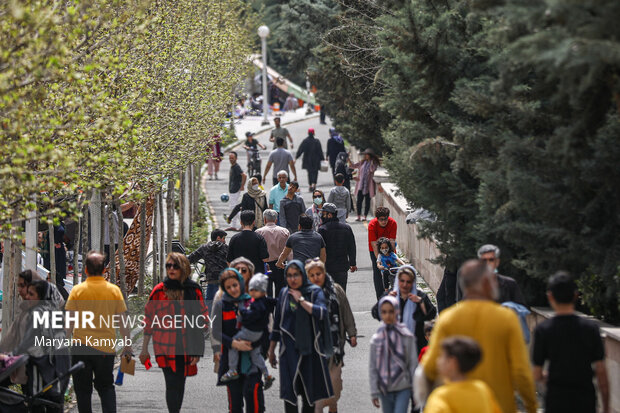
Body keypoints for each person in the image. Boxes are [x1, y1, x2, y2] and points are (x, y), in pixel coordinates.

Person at [418, 259, 537, 413]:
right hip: (500, 405)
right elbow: (521, 371)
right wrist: (531, 406)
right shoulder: (506, 319)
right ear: (487, 284)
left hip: (457, 406)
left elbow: (429, 367)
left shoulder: (449, 319)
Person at [140, 252, 209, 413]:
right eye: (168, 266)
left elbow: (203, 319)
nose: (171, 269)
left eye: (175, 266)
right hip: (164, 346)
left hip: (187, 347)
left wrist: (197, 347)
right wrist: (144, 349)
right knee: (171, 383)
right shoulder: (159, 291)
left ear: (183, 268)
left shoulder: (193, 290)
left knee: (180, 383)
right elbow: (148, 320)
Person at [532, 272, 609, 413]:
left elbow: (536, 374)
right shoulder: (590, 329)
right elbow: (601, 370)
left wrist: (547, 377)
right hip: (585, 400)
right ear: (575, 295)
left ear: (550, 297)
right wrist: (606, 407)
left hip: (556, 400)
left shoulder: (543, 330)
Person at [65, 251, 131, 413]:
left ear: (86, 270)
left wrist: (65, 344)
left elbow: (69, 322)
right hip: (105, 349)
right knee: (106, 387)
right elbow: (123, 321)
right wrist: (127, 345)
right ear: (104, 269)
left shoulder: (77, 291)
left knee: (82, 391)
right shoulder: (113, 291)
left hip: (80, 349)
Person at [268, 260, 334, 412]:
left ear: (302, 275)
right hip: (288, 352)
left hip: (309, 352)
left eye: (296, 275)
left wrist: (301, 300)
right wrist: (272, 350)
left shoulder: (313, 292)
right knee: (289, 395)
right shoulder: (284, 293)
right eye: (289, 275)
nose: (292, 279)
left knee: (309, 397)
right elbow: (278, 324)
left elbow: (322, 313)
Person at [306, 259, 357, 413]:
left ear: (324, 273)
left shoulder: (336, 290)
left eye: (319, 273)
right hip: (313, 347)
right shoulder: (305, 294)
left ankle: (333, 406)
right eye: (312, 274)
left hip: (335, 345)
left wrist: (352, 333)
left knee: (335, 384)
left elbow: (346, 311)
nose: (316, 277)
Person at [212, 268, 266, 413]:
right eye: (228, 287)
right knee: (235, 405)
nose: (233, 289)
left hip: (252, 358)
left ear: (241, 284)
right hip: (231, 361)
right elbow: (216, 332)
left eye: (235, 285)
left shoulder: (252, 302)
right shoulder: (221, 305)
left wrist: (252, 344)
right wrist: (234, 343)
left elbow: (263, 328)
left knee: (254, 401)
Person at [221, 273, 276, 389]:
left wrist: (243, 313)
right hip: (258, 334)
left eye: (254, 290)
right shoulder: (266, 301)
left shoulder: (257, 304)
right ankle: (267, 374)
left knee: (234, 343)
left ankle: (232, 369)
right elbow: (275, 301)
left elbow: (254, 315)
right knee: (255, 355)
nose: (252, 292)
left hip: (250, 332)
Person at [424, 336, 502, 413]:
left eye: (441, 356)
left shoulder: (441, 396)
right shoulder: (483, 389)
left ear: (452, 362)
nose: (438, 361)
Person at [371, 266, 436, 356]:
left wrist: (421, 302)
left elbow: (431, 315)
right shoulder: (390, 294)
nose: (405, 285)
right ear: (398, 281)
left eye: (408, 282)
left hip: (416, 345)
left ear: (413, 283)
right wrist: (386, 301)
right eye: (402, 281)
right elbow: (375, 313)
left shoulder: (420, 296)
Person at [369, 295, 417, 413]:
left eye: (391, 311)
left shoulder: (406, 336)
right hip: (385, 388)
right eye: (384, 312)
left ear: (397, 311)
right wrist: (374, 391)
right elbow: (373, 367)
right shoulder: (376, 339)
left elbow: (413, 363)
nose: (388, 315)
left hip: (403, 386)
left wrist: (415, 388)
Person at [187, 228, 228, 314]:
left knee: (208, 303)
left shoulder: (204, 248)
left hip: (211, 280)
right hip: (224, 280)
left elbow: (190, 259)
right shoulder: (225, 248)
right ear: (218, 238)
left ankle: (209, 322)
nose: (224, 241)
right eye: (223, 238)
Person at [317, 203, 357, 291]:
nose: (322, 216)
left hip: (327, 267)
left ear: (329, 215)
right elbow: (351, 246)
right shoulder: (346, 228)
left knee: (328, 293)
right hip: (342, 267)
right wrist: (353, 263)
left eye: (324, 213)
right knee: (341, 292)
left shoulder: (322, 229)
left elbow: (319, 249)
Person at [256, 209, 291, 297]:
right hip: (280, 264)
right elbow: (289, 251)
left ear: (264, 219)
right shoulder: (285, 231)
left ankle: (269, 310)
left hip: (265, 265)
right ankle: (279, 309)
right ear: (276, 220)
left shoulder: (259, 232)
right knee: (281, 292)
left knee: (267, 293)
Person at [227, 211, 269, 277]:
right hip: (256, 275)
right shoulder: (259, 238)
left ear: (241, 222)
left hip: (240, 274)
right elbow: (265, 259)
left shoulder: (234, 238)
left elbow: (229, 260)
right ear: (254, 222)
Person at [368, 207, 398, 299]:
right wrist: (380, 261)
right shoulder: (372, 225)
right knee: (378, 274)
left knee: (392, 273)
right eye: (381, 220)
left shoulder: (392, 223)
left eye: (385, 219)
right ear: (377, 219)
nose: (384, 222)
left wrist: (391, 257)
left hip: (389, 251)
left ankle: (394, 296)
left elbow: (392, 241)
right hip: (376, 251)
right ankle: (380, 298)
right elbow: (374, 244)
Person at [350, 148, 379, 221]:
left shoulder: (374, 164)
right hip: (361, 185)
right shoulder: (362, 163)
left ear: (370, 155)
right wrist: (348, 161)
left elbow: (372, 170)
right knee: (359, 201)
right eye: (365, 154)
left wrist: (372, 162)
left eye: (367, 154)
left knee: (367, 202)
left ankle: (365, 216)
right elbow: (353, 166)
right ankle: (358, 215)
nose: (365, 156)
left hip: (369, 186)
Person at [296, 128, 324, 192]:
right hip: (316, 160)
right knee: (315, 172)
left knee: (309, 172)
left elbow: (300, 150)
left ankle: (310, 185)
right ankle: (314, 184)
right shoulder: (317, 141)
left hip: (307, 160)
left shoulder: (305, 141)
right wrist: (323, 159)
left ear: (308, 133)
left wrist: (296, 157)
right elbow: (320, 151)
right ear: (314, 133)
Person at [227, 151, 247, 231]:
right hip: (233, 189)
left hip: (235, 189)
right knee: (233, 207)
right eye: (230, 158)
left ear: (236, 158)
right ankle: (233, 225)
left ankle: (243, 223)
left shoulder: (236, 167)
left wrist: (242, 185)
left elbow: (244, 175)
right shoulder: (233, 166)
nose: (231, 159)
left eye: (232, 158)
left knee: (233, 207)